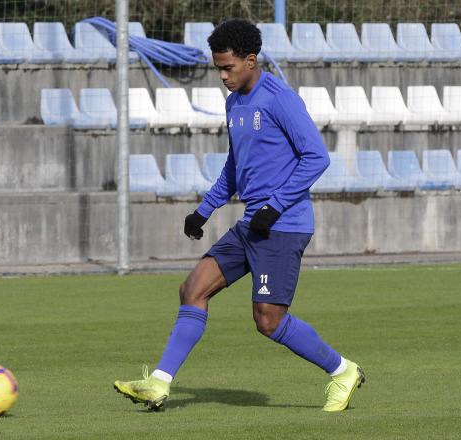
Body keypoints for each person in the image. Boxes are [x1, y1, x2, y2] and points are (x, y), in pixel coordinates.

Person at [113, 19, 365, 412]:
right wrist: (203, 209)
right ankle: (159, 384)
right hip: (253, 223)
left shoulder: (279, 98)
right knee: (192, 289)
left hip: (283, 227)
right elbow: (236, 164)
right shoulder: (234, 102)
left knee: (268, 321)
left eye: (228, 67)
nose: (222, 76)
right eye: (218, 68)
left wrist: (274, 205)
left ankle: (343, 370)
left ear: (251, 60)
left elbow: (317, 156)